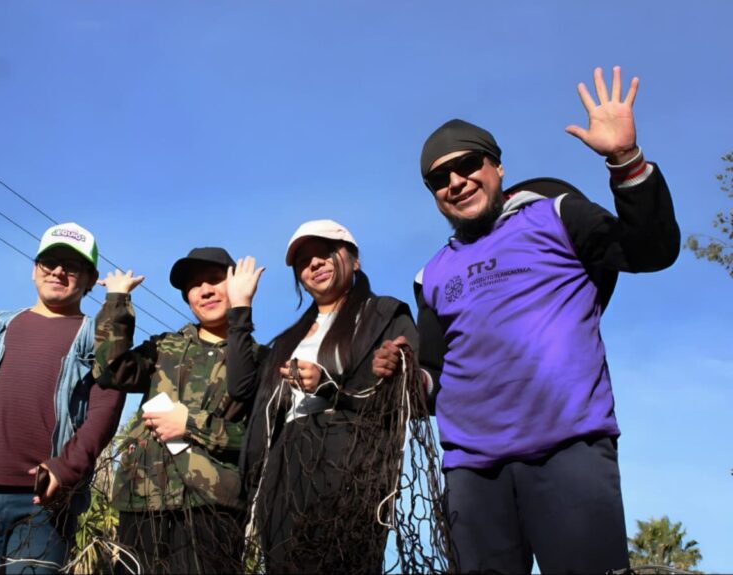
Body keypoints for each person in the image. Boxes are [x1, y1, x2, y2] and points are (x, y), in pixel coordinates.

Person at [373, 67, 680, 573]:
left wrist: (625, 159)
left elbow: (652, 250)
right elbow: (432, 380)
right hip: (472, 472)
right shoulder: (430, 274)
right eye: (438, 179)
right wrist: (404, 372)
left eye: (467, 164)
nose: (455, 182)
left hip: (569, 449)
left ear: (496, 166)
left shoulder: (555, 214)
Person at [0, 222, 125, 574]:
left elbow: (105, 411)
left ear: (91, 279)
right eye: (49, 262)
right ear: (34, 270)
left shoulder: (99, 338)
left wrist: (65, 468)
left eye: (71, 266)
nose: (57, 271)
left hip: (44, 503)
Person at [233, 219, 424, 574]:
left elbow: (408, 397)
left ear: (355, 260)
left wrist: (327, 384)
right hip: (284, 471)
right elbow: (240, 388)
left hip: (350, 466)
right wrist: (240, 307)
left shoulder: (383, 315)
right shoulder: (287, 339)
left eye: (325, 252)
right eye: (303, 261)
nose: (315, 264)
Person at [92, 247, 263, 574]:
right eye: (194, 285)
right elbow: (109, 371)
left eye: (214, 280)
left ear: (237, 284)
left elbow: (261, 440)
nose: (205, 290)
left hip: (213, 507)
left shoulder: (258, 360)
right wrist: (117, 301)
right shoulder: (164, 347)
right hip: (142, 501)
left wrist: (192, 424)